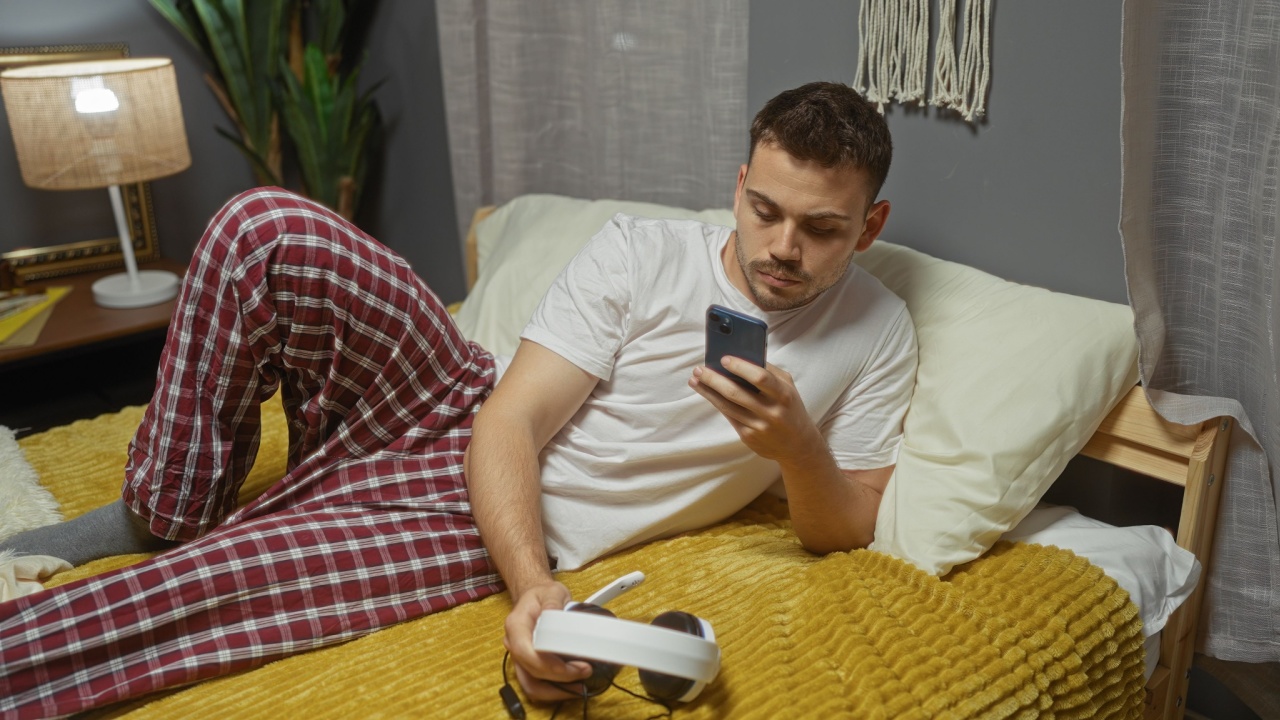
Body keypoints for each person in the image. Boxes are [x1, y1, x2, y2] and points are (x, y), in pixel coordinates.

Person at [0, 81, 915, 715]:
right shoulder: (642, 252)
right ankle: (161, 506)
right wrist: (535, 587)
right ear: (740, 186)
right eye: (766, 211)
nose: (783, 248)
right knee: (264, 228)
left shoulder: (879, 332)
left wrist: (796, 448)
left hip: (473, 515)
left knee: (212, 585)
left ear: (869, 226)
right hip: (463, 406)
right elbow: (508, 417)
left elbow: (848, 526)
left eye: (822, 228)